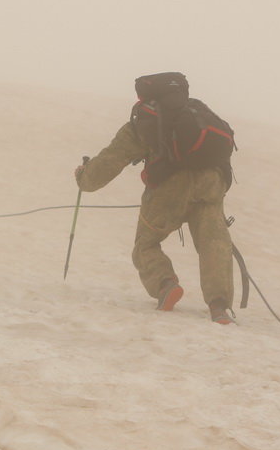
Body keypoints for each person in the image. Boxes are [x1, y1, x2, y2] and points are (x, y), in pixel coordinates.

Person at [74, 72, 237, 323]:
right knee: (214, 244)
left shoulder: (144, 121)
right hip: (210, 185)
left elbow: (109, 162)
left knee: (146, 244)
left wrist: (84, 179)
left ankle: (166, 285)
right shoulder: (197, 113)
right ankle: (219, 307)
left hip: (169, 190)